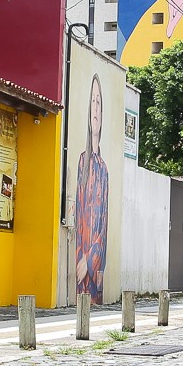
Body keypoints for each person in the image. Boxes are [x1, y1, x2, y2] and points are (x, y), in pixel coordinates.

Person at [73, 76, 110, 298]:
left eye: (99, 103)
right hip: (80, 259)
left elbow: (104, 224)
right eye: (92, 102)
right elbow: (78, 216)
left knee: (91, 300)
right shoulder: (81, 161)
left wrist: (89, 259)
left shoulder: (104, 169)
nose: (95, 109)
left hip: (93, 263)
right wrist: (80, 257)